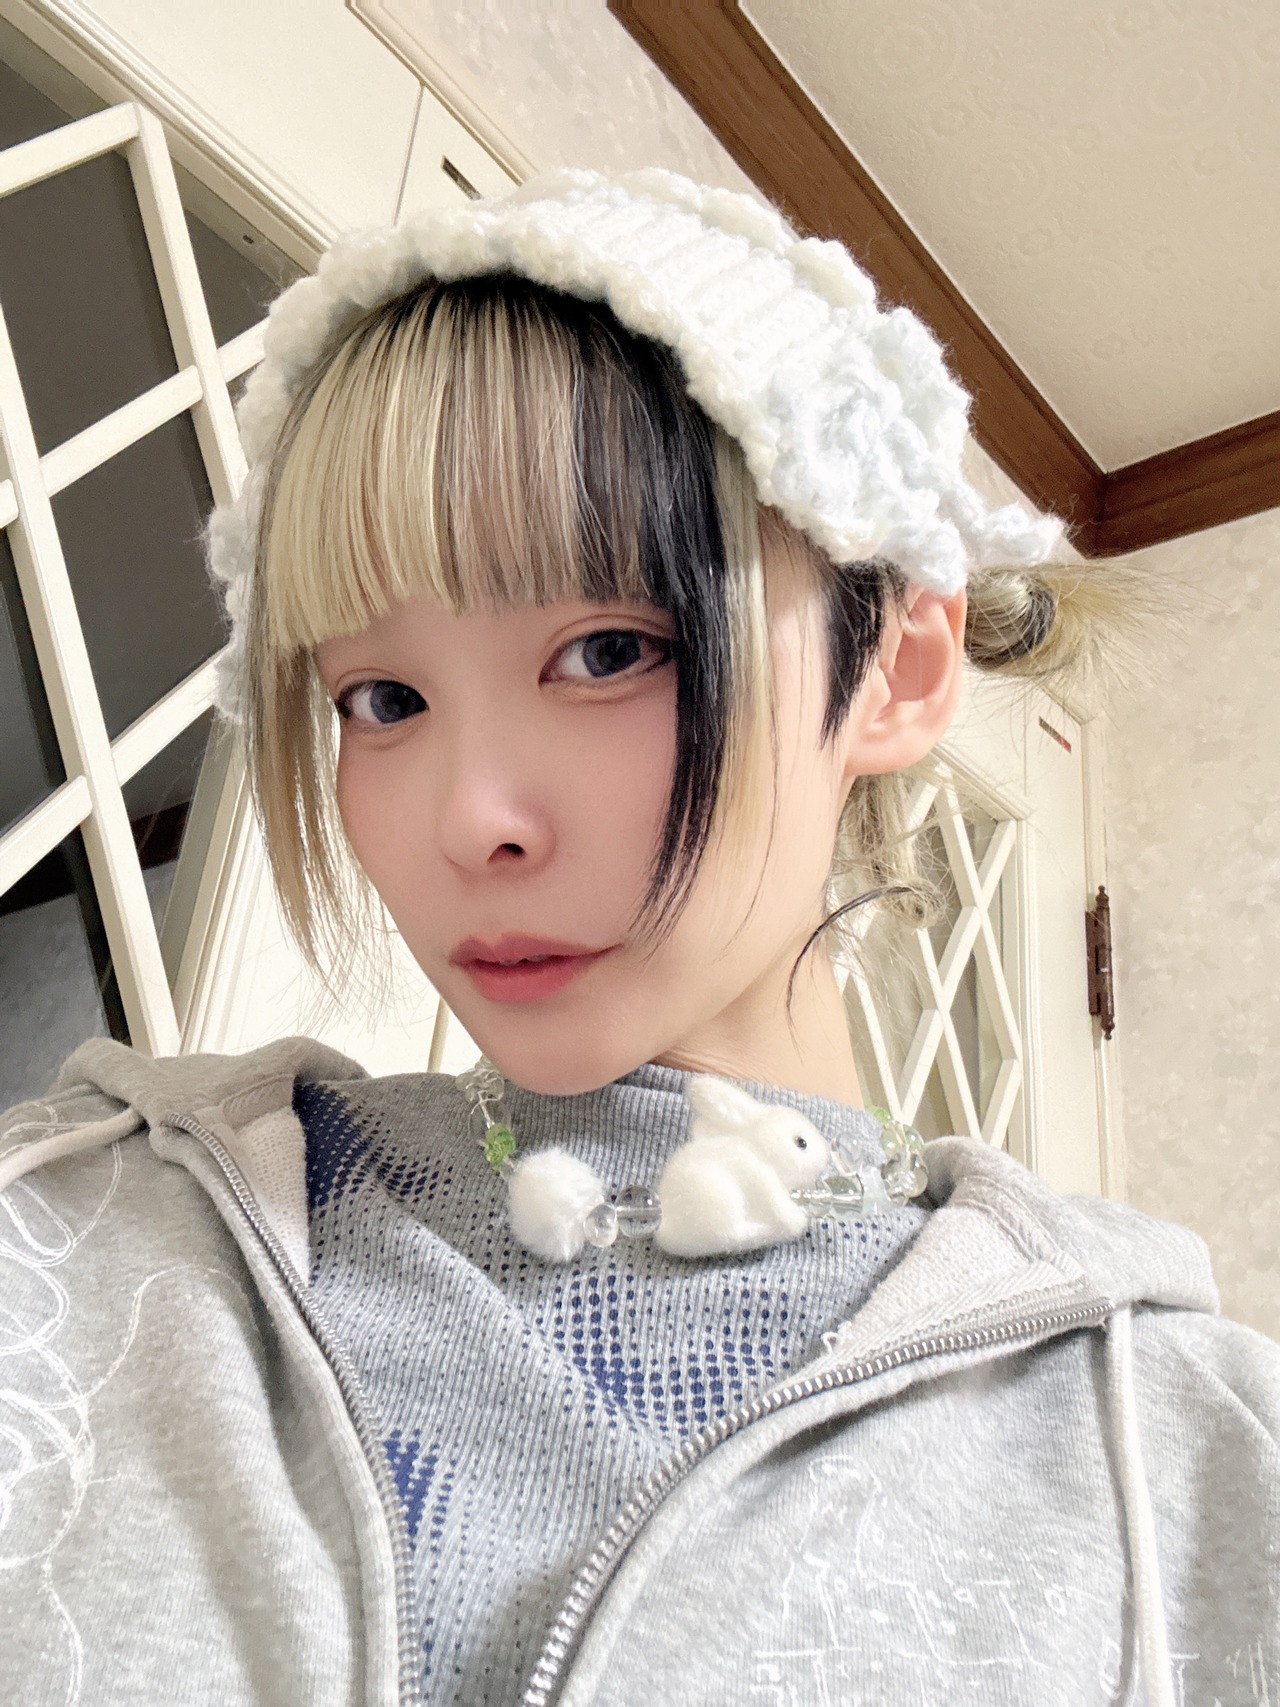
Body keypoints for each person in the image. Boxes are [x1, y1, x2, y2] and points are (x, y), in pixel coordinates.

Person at [1, 169, 1275, 1707]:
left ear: (899, 670)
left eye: (607, 650)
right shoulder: (85, 1232)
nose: (472, 818)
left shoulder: (1194, 1459)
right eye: (382, 699)